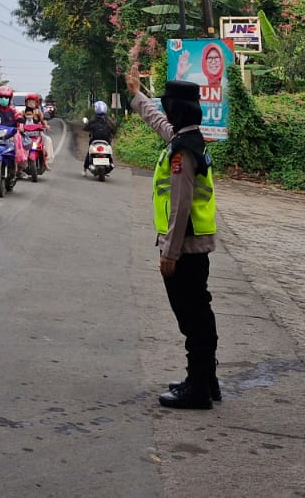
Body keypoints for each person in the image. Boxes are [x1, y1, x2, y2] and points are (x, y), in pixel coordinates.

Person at [127, 65, 219, 409]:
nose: (164, 113)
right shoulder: (190, 139)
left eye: (168, 107)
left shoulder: (183, 152)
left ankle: (198, 388)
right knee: (198, 314)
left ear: (177, 110)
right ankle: (206, 379)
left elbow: (180, 207)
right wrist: (137, 94)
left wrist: (170, 253)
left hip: (185, 248)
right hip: (195, 246)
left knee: (192, 318)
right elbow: (160, 124)